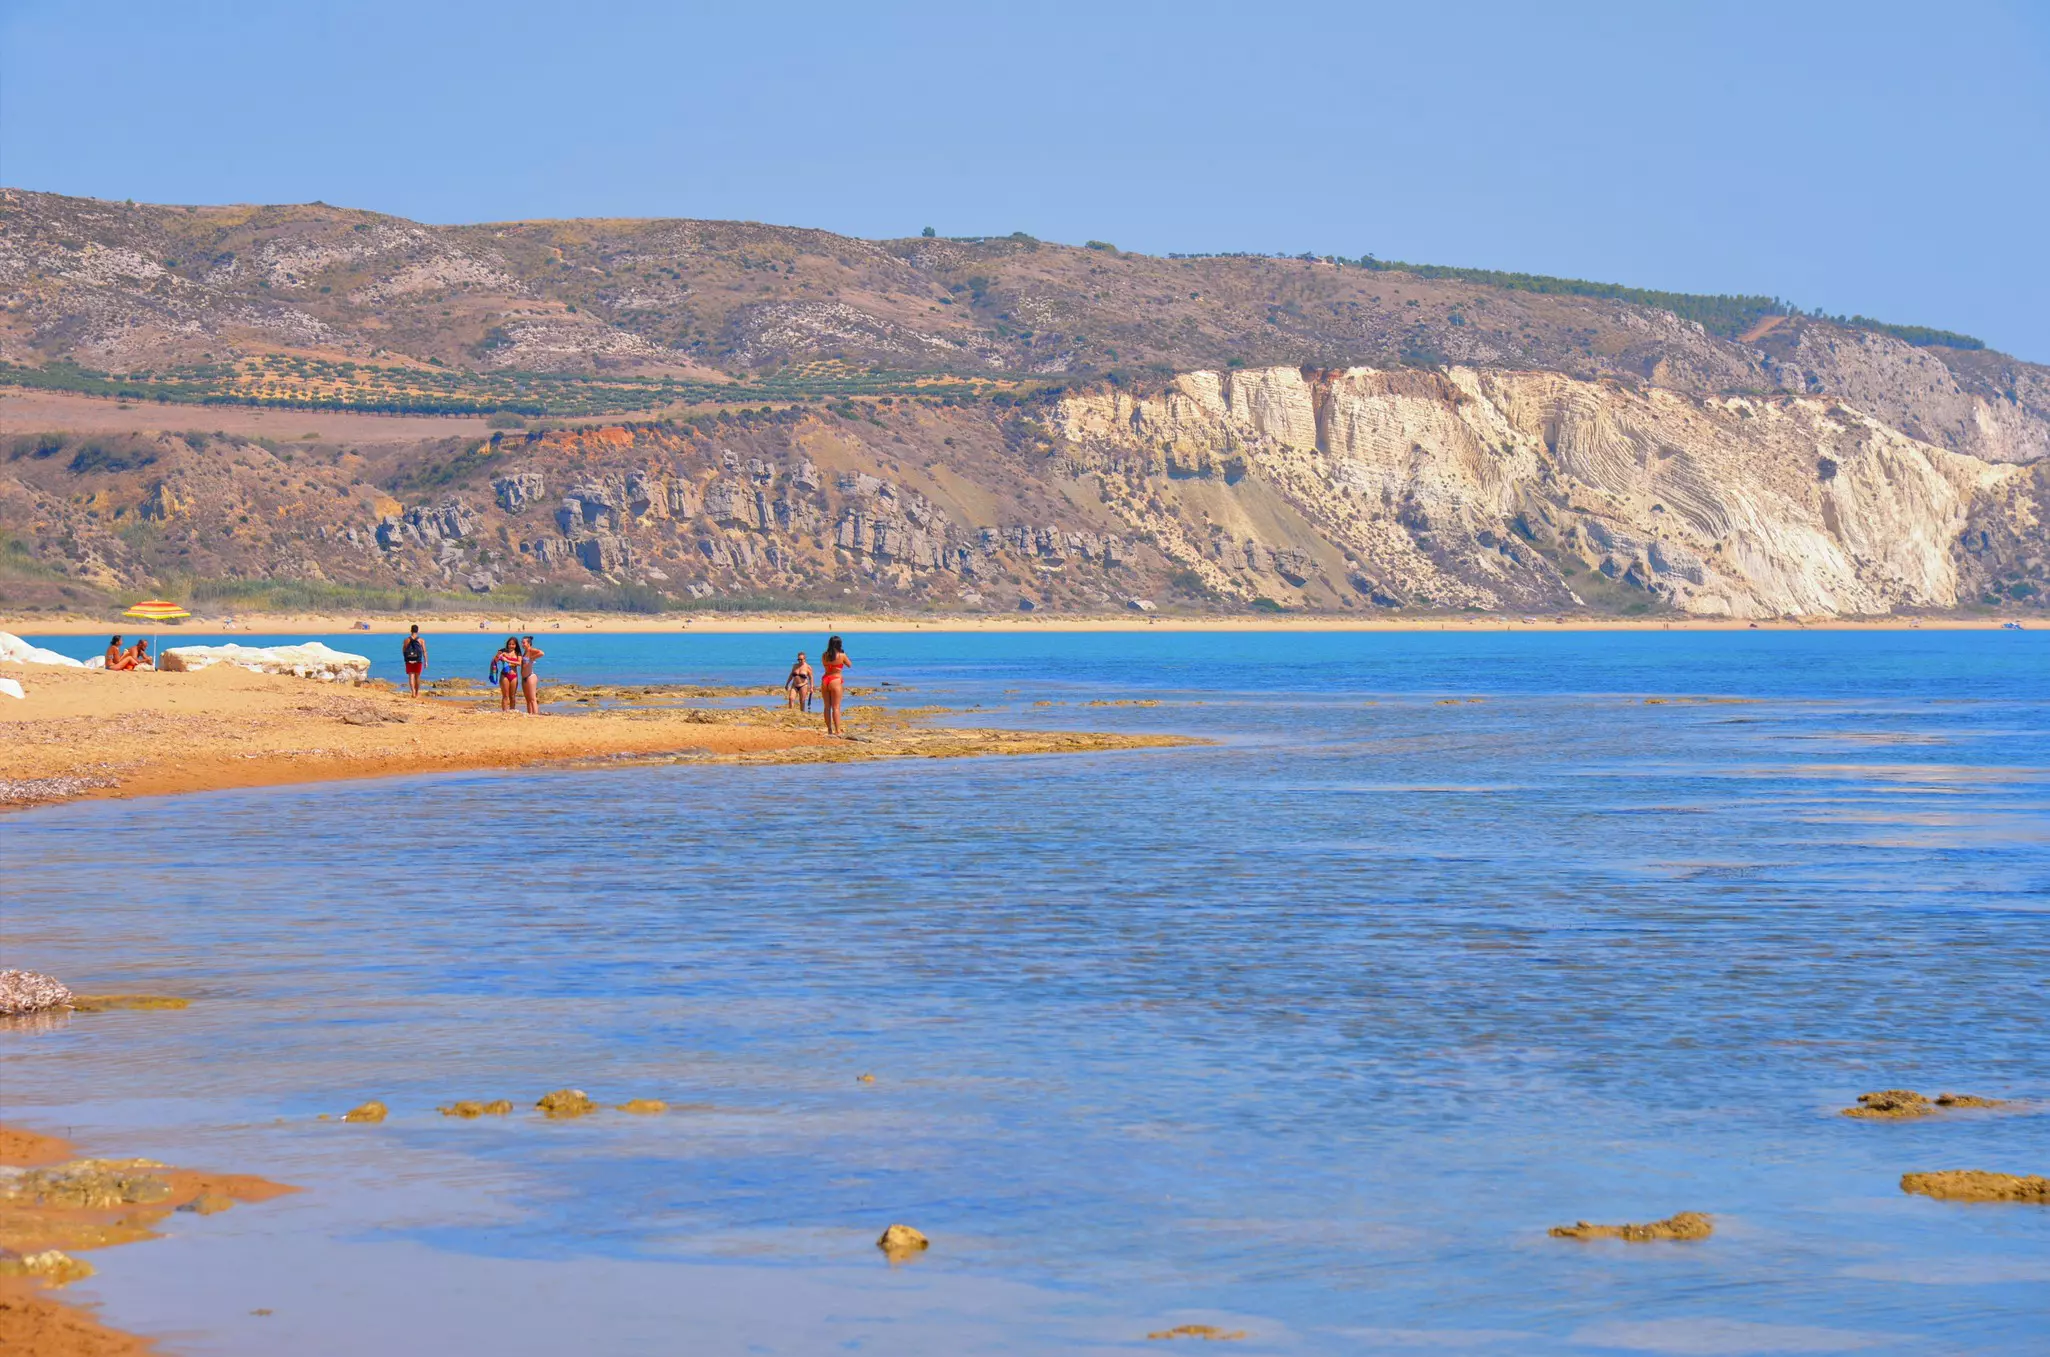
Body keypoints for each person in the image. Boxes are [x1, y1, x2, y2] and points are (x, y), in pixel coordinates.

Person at [818, 634, 849, 736]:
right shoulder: (842, 655)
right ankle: (837, 730)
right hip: (835, 679)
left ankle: (829, 730)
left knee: (827, 706)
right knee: (836, 707)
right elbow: (849, 664)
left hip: (825, 679)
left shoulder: (824, 655)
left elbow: (825, 664)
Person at [493, 636, 523, 712]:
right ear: (507, 644)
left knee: (512, 696)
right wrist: (498, 655)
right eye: (509, 644)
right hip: (504, 675)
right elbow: (495, 661)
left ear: (516, 645)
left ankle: (512, 711)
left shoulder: (518, 653)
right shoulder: (503, 651)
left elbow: (519, 663)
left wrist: (507, 660)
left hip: (514, 676)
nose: (511, 646)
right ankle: (504, 712)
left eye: (513, 644)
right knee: (505, 696)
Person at [520, 635, 545, 715]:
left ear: (529, 643)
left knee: (532, 698)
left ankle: (535, 715)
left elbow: (541, 653)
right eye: (522, 643)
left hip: (530, 676)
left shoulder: (531, 650)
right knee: (527, 699)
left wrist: (532, 658)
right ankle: (530, 714)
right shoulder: (525, 652)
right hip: (524, 678)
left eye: (524, 643)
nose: (522, 644)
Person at [401, 625, 428, 697]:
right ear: (417, 631)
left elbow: (403, 650)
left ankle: (413, 692)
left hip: (409, 660)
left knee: (411, 676)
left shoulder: (406, 640)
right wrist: (426, 661)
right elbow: (424, 651)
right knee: (417, 676)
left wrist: (406, 659)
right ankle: (417, 693)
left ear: (411, 630)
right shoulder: (421, 640)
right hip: (418, 660)